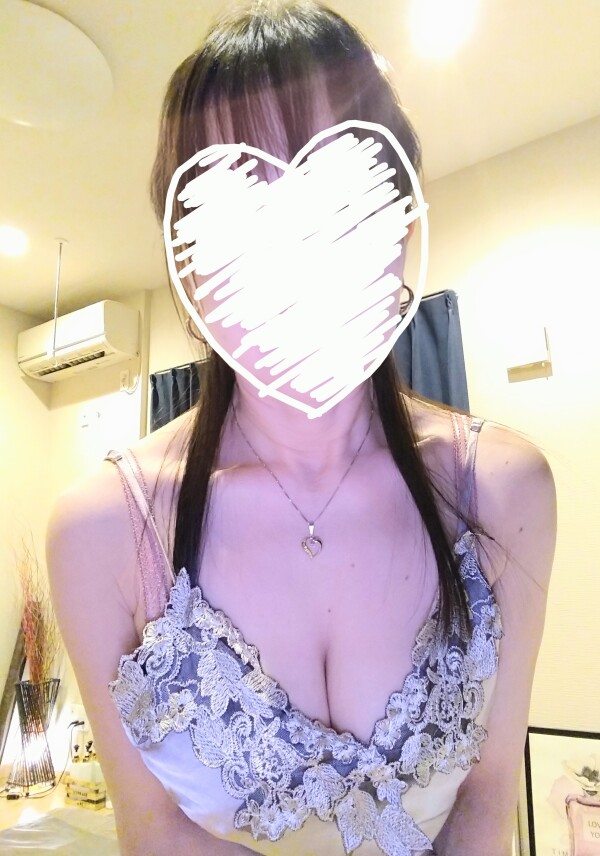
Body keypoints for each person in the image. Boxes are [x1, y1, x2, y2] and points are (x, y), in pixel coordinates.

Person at [46, 2, 557, 855]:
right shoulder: (103, 531)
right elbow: (153, 828)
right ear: (187, 263)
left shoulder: (502, 490)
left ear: (400, 215)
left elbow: (490, 792)